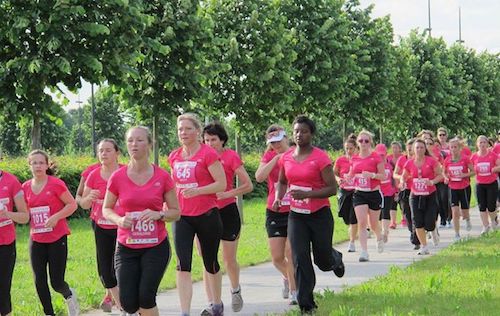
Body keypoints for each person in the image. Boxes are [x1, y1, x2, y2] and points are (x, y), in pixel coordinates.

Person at [103, 126, 180, 316]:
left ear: (150, 144)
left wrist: (159, 215)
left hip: (155, 245)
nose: (134, 144)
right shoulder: (117, 177)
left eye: (139, 140)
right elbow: (107, 208)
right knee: (128, 303)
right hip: (126, 245)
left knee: (146, 297)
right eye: (130, 140)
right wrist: (119, 220)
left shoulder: (162, 176)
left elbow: (176, 212)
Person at [274, 115, 344, 314]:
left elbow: (332, 188)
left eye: (303, 131)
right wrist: (279, 198)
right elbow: (282, 181)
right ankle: (306, 304)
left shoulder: (320, 157)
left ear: (311, 134)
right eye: (296, 131)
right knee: (299, 257)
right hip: (296, 215)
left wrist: (308, 194)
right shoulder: (286, 157)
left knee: (322, 260)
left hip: (319, 214)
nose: (299, 135)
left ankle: (335, 258)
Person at [168, 113, 226, 316]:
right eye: (180, 129)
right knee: (183, 264)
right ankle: (185, 312)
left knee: (210, 261)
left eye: (187, 128)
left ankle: (216, 305)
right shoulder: (174, 156)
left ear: (197, 131)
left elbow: (222, 183)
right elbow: (172, 185)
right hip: (182, 216)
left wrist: (198, 190)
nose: (183, 132)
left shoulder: (207, 154)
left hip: (207, 215)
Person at [201, 122, 254, 313]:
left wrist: (229, 193)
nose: (209, 143)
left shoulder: (230, 156)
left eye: (213, 139)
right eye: (206, 140)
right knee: (207, 259)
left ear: (222, 140)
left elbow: (248, 185)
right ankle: (212, 303)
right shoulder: (199, 158)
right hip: (205, 213)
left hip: (227, 212)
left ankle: (235, 289)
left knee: (228, 259)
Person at [22, 150, 79, 316]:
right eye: (34, 163)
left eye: (41, 162)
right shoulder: (25, 187)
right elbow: (25, 214)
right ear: (29, 165)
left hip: (57, 238)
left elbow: (72, 205)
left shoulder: (56, 184)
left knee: (56, 282)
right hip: (37, 238)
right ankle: (49, 313)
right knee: (39, 280)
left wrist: (56, 217)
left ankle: (69, 294)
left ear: (47, 165)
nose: (38, 166)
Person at [255, 125, 297, 304]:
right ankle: (288, 277)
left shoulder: (297, 152)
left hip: (295, 210)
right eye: (272, 143)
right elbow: (259, 177)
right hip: (275, 210)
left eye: (279, 141)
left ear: (286, 138)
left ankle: (296, 293)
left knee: (290, 251)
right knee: (277, 258)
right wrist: (276, 158)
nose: (276, 145)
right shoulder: (269, 156)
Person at [80, 139, 123, 313]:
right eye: (101, 151)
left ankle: (125, 303)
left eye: (107, 150)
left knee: (122, 267)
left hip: (122, 226)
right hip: (101, 226)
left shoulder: (125, 172)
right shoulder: (93, 175)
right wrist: (89, 198)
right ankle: (122, 306)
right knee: (105, 269)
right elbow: (82, 203)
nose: (103, 154)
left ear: (117, 153)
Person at [401, 139, 443, 255]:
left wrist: (432, 182)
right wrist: (402, 182)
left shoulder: (431, 161)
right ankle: (424, 246)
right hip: (415, 195)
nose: (419, 149)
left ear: (425, 149)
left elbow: (440, 175)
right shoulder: (409, 163)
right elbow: (403, 176)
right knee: (417, 221)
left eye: (421, 147)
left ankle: (433, 229)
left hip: (429, 194)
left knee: (429, 222)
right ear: (413, 150)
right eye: (417, 147)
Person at [348, 130, 385, 262]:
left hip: (374, 193)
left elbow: (383, 176)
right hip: (359, 193)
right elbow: (351, 175)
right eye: (361, 141)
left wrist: (372, 175)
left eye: (366, 141)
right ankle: (364, 252)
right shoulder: (354, 158)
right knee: (362, 222)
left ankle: (379, 236)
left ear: (370, 143)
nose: (363, 143)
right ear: (357, 143)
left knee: (374, 224)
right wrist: (346, 178)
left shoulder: (376, 157)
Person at [0, 170, 29, 316]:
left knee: (3, 288)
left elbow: (24, 216)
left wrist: (8, 214)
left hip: (5, 243)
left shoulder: (11, 181)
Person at [443, 138, 474, 240]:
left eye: (455, 147)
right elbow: (444, 172)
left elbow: (473, 171)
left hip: (464, 187)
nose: (453, 149)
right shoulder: (447, 160)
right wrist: (446, 177)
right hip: (452, 188)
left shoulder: (465, 158)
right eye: (451, 147)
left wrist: (464, 174)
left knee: (464, 212)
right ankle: (457, 234)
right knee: (455, 212)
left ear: (459, 148)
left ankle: (468, 219)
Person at [393, 138, 420, 249]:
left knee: (416, 214)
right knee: (407, 215)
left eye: (411, 149)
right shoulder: (402, 159)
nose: (409, 151)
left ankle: (416, 239)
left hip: (417, 190)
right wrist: (402, 178)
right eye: (408, 149)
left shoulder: (419, 160)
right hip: (405, 190)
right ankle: (413, 232)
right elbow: (395, 174)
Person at [470, 135, 500, 234]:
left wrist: (495, 169)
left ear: (487, 144)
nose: (482, 144)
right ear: (477, 144)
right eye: (480, 142)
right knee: (482, 206)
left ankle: (493, 222)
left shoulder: (492, 155)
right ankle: (485, 226)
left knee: (491, 205)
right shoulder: (474, 156)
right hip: (480, 184)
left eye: (484, 142)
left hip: (491, 183)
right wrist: (473, 171)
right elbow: (470, 170)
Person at [333, 137, 358, 252]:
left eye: (351, 148)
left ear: (356, 148)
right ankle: (352, 230)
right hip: (344, 191)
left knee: (353, 218)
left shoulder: (359, 159)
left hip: (356, 191)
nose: (349, 151)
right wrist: (338, 179)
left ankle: (351, 242)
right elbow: (334, 173)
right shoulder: (340, 160)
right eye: (347, 148)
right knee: (345, 217)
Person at [424, 137, 450, 228]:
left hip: (439, 180)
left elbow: (443, 167)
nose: (428, 146)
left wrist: (445, 176)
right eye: (426, 144)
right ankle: (433, 222)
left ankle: (445, 218)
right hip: (428, 182)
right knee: (435, 202)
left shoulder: (438, 154)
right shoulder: (421, 156)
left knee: (443, 199)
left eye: (430, 144)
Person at [375, 144, 397, 244]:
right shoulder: (374, 165)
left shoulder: (390, 164)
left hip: (388, 191)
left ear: (386, 154)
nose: (381, 157)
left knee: (386, 211)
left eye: (383, 155)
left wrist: (396, 191)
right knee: (377, 213)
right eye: (379, 155)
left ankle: (385, 232)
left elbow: (394, 178)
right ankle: (379, 231)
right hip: (377, 191)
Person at [387, 141, 403, 228]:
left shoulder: (403, 158)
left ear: (400, 149)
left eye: (396, 148)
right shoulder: (388, 158)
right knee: (392, 202)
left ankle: (404, 218)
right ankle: (393, 222)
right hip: (391, 182)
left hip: (401, 181)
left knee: (402, 201)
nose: (394, 150)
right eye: (393, 148)